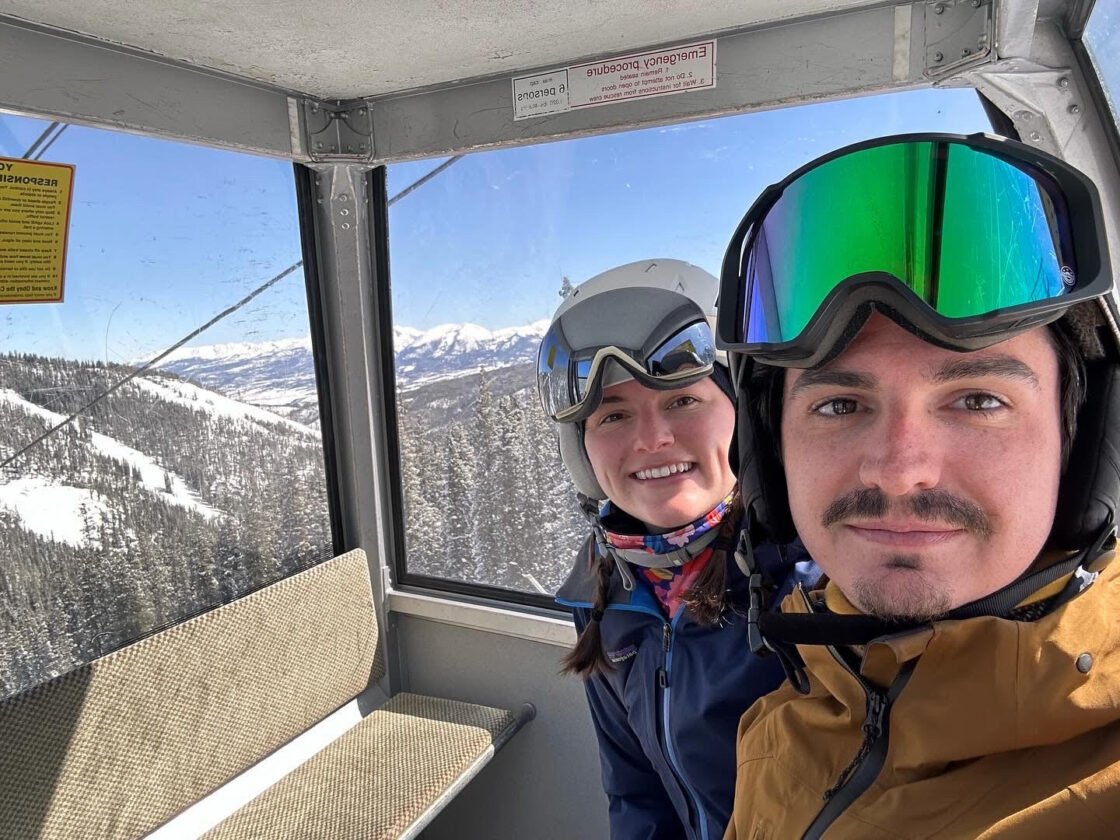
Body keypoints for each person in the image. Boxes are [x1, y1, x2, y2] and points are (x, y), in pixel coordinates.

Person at [715, 133, 1120, 837]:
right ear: (769, 456)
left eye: (977, 401)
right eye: (840, 405)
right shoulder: (790, 718)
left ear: (1080, 441)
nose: (900, 470)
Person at [538, 258, 817, 840]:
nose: (651, 438)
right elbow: (636, 796)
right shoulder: (605, 593)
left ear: (741, 416)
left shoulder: (811, 583)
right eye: (613, 414)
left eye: (683, 400)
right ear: (582, 453)